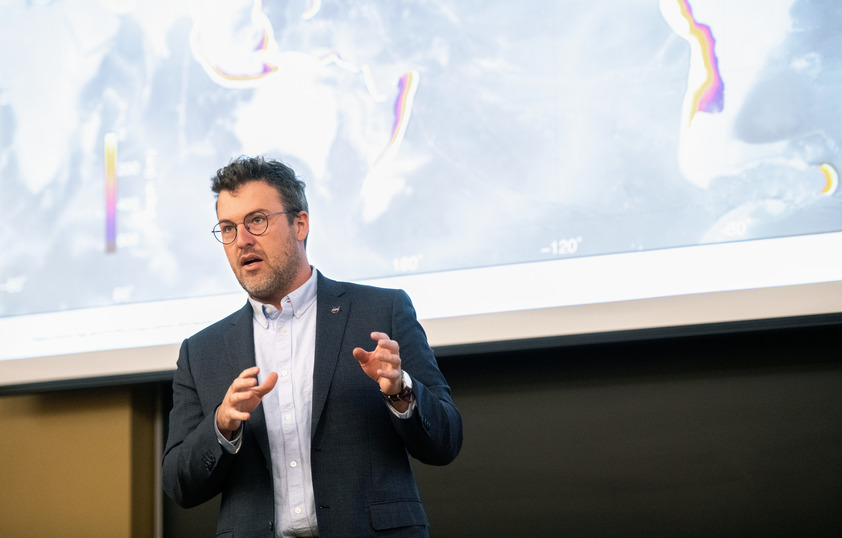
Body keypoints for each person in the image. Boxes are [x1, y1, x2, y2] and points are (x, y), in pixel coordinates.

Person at [162, 155, 463, 537]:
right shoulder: (201, 352)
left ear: (299, 224)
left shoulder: (381, 311)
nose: (242, 241)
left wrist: (401, 390)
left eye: (257, 220)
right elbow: (178, 485)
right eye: (227, 228)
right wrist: (221, 425)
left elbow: (446, 441)